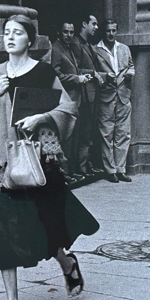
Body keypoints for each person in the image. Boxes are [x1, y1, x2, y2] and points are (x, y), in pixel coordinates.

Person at [0, 14, 99, 300]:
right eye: (7, 33)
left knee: (47, 221)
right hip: (1, 162)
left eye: (17, 33)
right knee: (3, 229)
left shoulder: (43, 72)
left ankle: (66, 261)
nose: (10, 37)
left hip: (39, 159)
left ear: (30, 40)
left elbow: (68, 108)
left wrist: (40, 118)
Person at [94, 19, 135, 182]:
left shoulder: (124, 48)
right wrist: (105, 76)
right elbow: (93, 72)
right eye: (108, 31)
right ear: (103, 32)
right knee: (106, 133)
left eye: (113, 31)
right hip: (106, 96)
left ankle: (120, 168)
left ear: (117, 31)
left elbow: (131, 65)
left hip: (123, 95)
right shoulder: (96, 50)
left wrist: (131, 73)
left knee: (123, 133)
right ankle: (109, 170)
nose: (111, 34)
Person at [49, 21, 87, 183]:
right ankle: (64, 173)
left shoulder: (70, 48)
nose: (69, 36)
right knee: (67, 137)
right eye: (66, 32)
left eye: (71, 32)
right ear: (59, 32)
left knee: (74, 137)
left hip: (75, 99)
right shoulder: (56, 49)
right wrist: (76, 79)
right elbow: (55, 75)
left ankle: (71, 171)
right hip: (65, 99)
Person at [74, 14, 107, 176]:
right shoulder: (75, 43)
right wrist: (94, 73)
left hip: (92, 94)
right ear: (84, 23)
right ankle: (81, 167)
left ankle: (87, 164)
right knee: (84, 132)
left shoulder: (87, 44)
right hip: (83, 95)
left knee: (90, 131)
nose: (96, 27)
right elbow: (75, 69)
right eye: (93, 24)